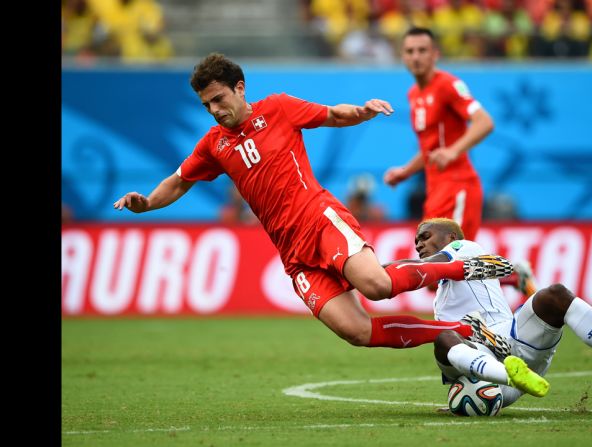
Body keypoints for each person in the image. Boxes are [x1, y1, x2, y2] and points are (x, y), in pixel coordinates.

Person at [113, 53, 514, 351]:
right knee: (357, 332)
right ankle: (466, 331)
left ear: (240, 88)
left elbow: (333, 115)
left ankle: (462, 265)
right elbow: (179, 182)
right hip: (293, 254)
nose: (216, 111)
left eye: (220, 99)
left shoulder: (278, 108)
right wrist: (145, 203)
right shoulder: (214, 145)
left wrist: (361, 111)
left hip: (319, 219)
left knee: (377, 286)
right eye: (208, 106)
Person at [408, 217, 592, 407]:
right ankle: (510, 377)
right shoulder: (441, 297)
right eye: (416, 240)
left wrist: (372, 270)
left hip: (514, 342)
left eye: (425, 236)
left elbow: (413, 270)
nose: (418, 244)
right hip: (494, 376)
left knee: (555, 296)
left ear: (451, 238)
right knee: (444, 337)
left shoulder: (465, 248)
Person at [383, 27, 494, 241]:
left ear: (435, 54)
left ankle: (517, 274)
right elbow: (429, 149)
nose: (416, 57)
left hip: (457, 185)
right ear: (403, 57)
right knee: (432, 263)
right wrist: (405, 171)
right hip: (435, 190)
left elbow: (485, 122)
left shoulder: (448, 85)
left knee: (458, 261)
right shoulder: (413, 94)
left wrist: (453, 151)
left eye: (422, 50)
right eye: (410, 51)